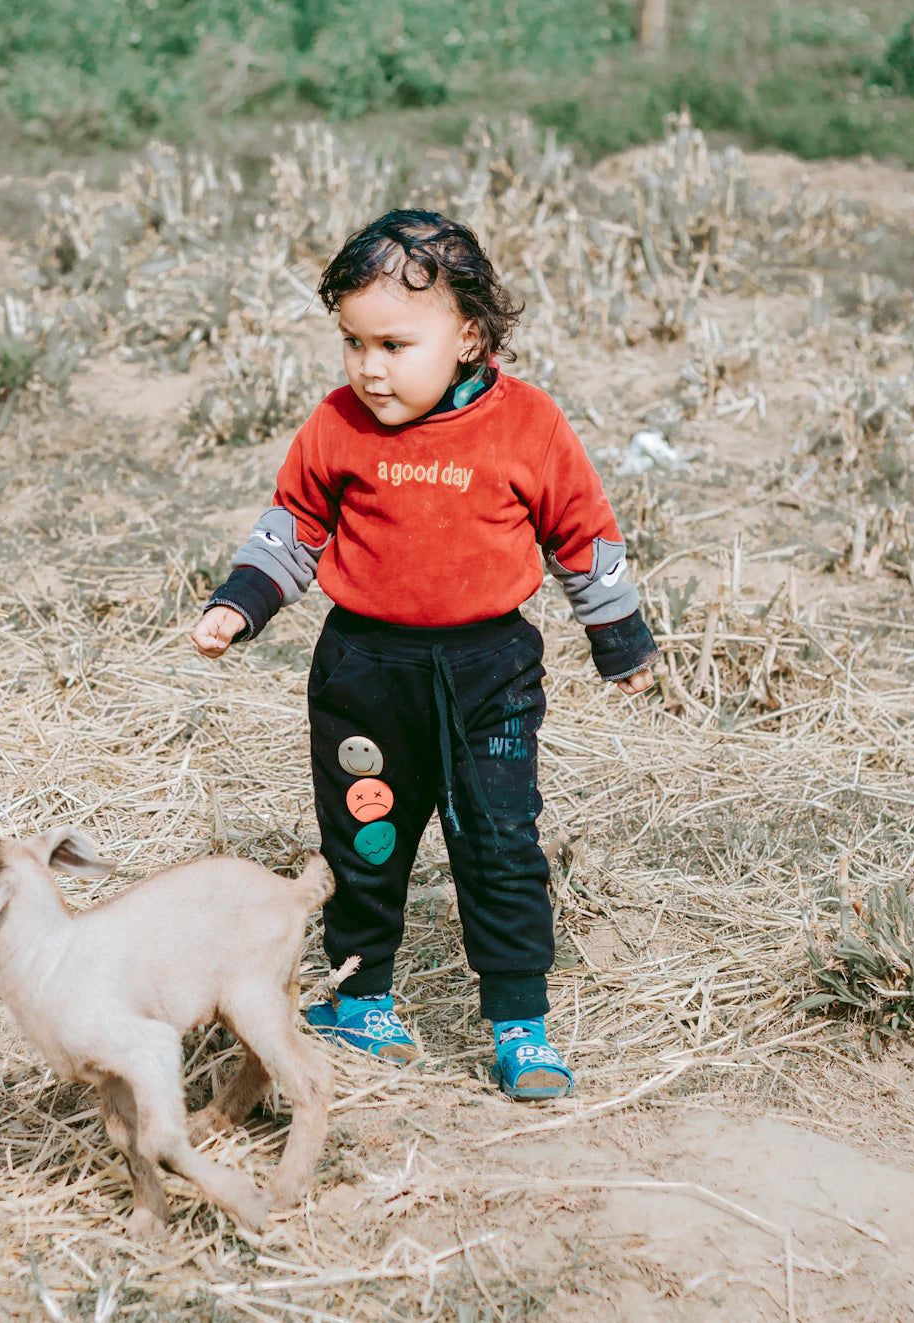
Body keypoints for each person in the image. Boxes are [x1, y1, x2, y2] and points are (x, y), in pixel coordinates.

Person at [192, 210, 657, 1102]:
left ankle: (520, 1022)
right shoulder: (337, 425)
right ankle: (363, 998)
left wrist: (619, 639)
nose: (370, 368)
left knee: (499, 843)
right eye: (353, 343)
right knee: (365, 840)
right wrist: (237, 605)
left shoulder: (527, 424)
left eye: (395, 344)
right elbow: (290, 529)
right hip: (364, 676)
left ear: (469, 335)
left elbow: (581, 534)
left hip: (491, 676)